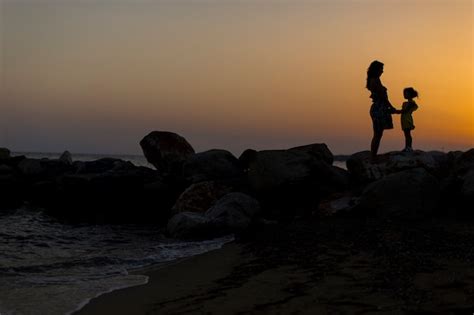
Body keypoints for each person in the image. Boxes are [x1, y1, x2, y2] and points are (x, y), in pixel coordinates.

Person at [366, 60, 398, 160]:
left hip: (378, 108)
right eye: (381, 69)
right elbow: (383, 97)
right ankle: (373, 156)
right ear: (376, 69)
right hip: (379, 109)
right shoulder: (375, 80)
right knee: (377, 134)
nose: (382, 71)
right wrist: (391, 107)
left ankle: (373, 156)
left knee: (378, 134)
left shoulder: (375, 80)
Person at [400, 87, 419, 152]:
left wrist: (395, 111)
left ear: (410, 94)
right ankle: (407, 147)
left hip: (407, 119)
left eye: (406, 93)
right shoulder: (406, 103)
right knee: (406, 134)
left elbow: (405, 111)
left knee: (408, 134)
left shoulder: (411, 103)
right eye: (404, 93)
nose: (404, 95)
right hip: (404, 119)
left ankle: (409, 147)